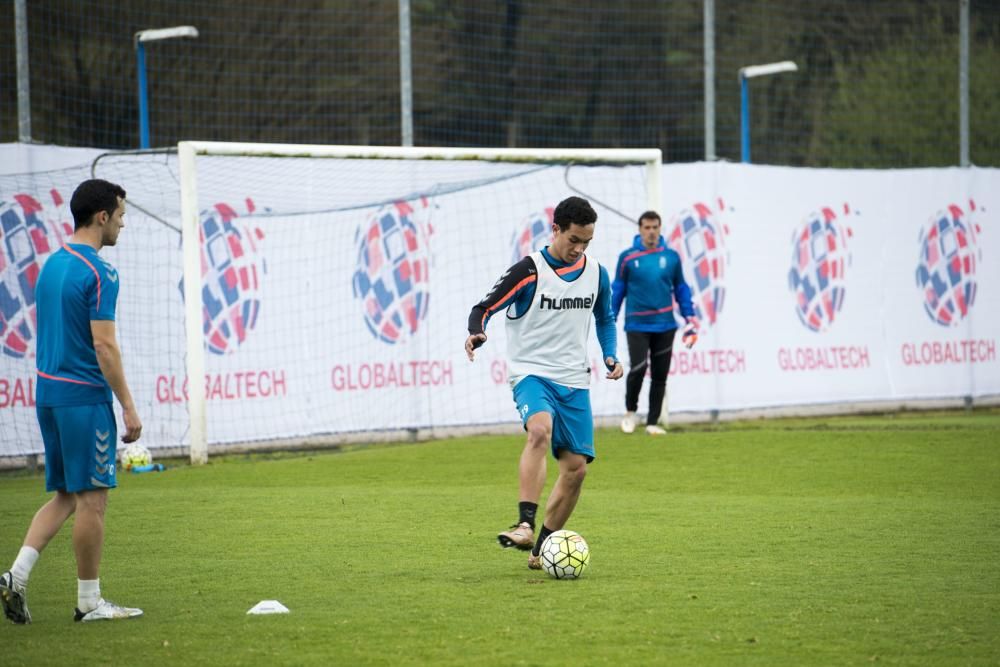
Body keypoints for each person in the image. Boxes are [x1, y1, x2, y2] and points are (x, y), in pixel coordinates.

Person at [1, 179, 143, 624]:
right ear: (102, 217)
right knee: (93, 500)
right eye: (120, 216)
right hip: (84, 400)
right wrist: (129, 406)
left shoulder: (53, 265)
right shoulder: (100, 272)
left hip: (49, 396)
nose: (122, 224)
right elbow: (105, 347)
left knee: (65, 494)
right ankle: (89, 602)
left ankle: (15, 576)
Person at [464, 196, 623, 570]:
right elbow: (483, 308)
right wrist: (476, 333)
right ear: (555, 230)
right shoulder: (529, 270)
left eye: (586, 242)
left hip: (574, 380)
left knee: (576, 470)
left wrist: (610, 354)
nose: (579, 249)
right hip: (531, 373)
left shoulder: (597, 272)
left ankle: (543, 550)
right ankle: (524, 524)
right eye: (573, 240)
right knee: (539, 429)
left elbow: (606, 317)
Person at [611, 210, 698, 436]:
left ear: (660, 229)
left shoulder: (671, 257)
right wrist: (610, 315)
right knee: (638, 369)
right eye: (647, 227)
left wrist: (689, 317)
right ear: (640, 229)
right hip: (637, 324)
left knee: (660, 375)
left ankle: (652, 422)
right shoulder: (627, 257)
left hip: (665, 324)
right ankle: (630, 412)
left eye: (655, 227)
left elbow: (681, 288)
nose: (651, 232)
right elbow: (618, 289)